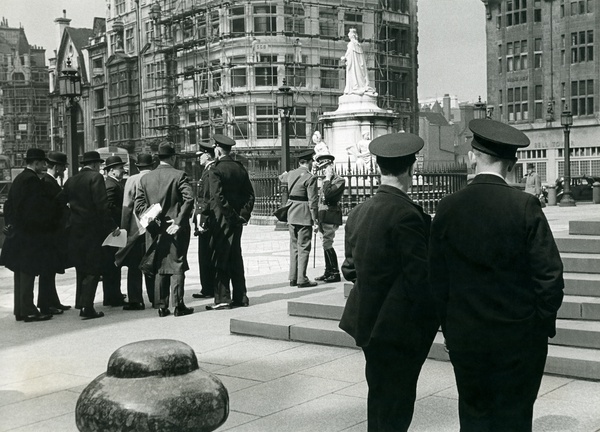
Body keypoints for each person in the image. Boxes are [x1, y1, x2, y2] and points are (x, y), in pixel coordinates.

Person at [429, 119, 565, 431]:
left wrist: (449, 329)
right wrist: (538, 326)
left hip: (467, 337)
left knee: (474, 416)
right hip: (518, 339)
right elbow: (550, 277)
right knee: (515, 418)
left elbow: (437, 279)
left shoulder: (448, 207)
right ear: (512, 163)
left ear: (473, 157)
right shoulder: (525, 205)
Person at [338, 133, 439, 432]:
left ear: (378, 167)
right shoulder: (409, 215)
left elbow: (349, 269)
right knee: (397, 406)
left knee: (379, 399)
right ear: (411, 169)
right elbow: (420, 279)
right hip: (399, 328)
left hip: (367, 323)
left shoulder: (358, 212)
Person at [135, 142, 195, 318]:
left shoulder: (145, 179)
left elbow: (138, 206)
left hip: (154, 230)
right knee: (176, 264)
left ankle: (161, 305)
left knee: (159, 264)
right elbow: (189, 199)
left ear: (158, 158)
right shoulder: (179, 175)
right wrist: (178, 221)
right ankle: (178, 305)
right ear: (173, 157)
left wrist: (150, 223)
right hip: (174, 228)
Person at [60, 151, 121, 319]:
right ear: (95, 165)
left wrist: (71, 217)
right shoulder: (96, 178)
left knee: (81, 266)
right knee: (93, 268)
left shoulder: (71, 180)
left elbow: (59, 201)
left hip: (75, 230)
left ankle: (80, 301)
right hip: (91, 230)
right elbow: (102, 206)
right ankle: (87, 307)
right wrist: (112, 226)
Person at [0, 148, 57, 322]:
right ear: (36, 163)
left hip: (19, 233)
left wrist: (11, 225)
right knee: (28, 271)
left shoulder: (19, 179)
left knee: (20, 272)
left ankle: (21, 309)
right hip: (30, 235)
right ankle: (29, 310)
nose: (45, 165)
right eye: (42, 162)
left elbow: (9, 205)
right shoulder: (32, 180)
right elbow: (35, 210)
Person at [205, 134, 255, 310]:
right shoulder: (240, 168)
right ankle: (241, 296)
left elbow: (217, 197)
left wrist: (230, 215)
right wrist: (243, 215)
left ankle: (223, 298)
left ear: (218, 149)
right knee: (236, 256)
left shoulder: (215, 169)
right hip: (237, 221)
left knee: (221, 257)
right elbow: (250, 195)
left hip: (222, 219)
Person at [116, 153, 155, 310]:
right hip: (154, 228)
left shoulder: (132, 180)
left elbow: (127, 207)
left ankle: (136, 300)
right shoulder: (157, 177)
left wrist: (124, 229)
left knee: (135, 266)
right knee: (152, 264)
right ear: (152, 165)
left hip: (136, 229)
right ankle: (156, 298)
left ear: (138, 167)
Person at [38, 151, 71, 315]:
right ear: (57, 167)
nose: (64, 169)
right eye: (63, 166)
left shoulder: (49, 181)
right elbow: (53, 209)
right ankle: (46, 304)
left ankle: (53, 301)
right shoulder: (48, 183)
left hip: (51, 233)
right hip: (50, 234)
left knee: (50, 270)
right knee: (47, 270)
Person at [286, 149, 319, 288]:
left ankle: (293, 277)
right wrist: (315, 220)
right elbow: (313, 201)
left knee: (294, 247)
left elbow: (281, 178)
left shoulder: (291, 174)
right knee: (304, 247)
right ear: (310, 161)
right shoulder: (310, 177)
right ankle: (302, 278)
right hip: (304, 215)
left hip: (291, 213)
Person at [314, 154, 345, 283]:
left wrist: (327, 178)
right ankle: (328, 271)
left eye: (326, 166)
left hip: (330, 214)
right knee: (324, 242)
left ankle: (335, 272)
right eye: (323, 167)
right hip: (322, 214)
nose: (324, 170)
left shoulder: (339, 180)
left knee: (328, 242)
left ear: (331, 166)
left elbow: (328, 195)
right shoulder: (325, 181)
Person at [192, 142, 217, 300]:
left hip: (207, 219)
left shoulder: (210, 171)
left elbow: (207, 198)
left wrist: (201, 219)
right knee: (205, 253)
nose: (198, 159)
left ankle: (208, 287)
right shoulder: (206, 170)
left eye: (200, 155)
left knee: (206, 254)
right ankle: (207, 286)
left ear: (208, 155)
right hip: (204, 217)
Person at [102, 155, 127, 307]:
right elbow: (109, 206)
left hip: (113, 229)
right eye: (120, 168)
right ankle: (112, 296)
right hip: (113, 230)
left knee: (112, 264)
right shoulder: (111, 185)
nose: (123, 170)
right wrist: (120, 217)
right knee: (112, 264)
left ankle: (112, 295)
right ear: (112, 171)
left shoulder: (113, 183)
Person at [341, 28, 375, 96]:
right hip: (359, 67)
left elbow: (349, 55)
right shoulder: (359, 45)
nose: (348, 37)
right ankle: (360, 86)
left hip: (354, 67)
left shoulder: (351, 44)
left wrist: (344, 58)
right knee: (359, 75)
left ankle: (355, 87)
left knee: (354, 75)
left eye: (349, 36)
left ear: (351, 36)